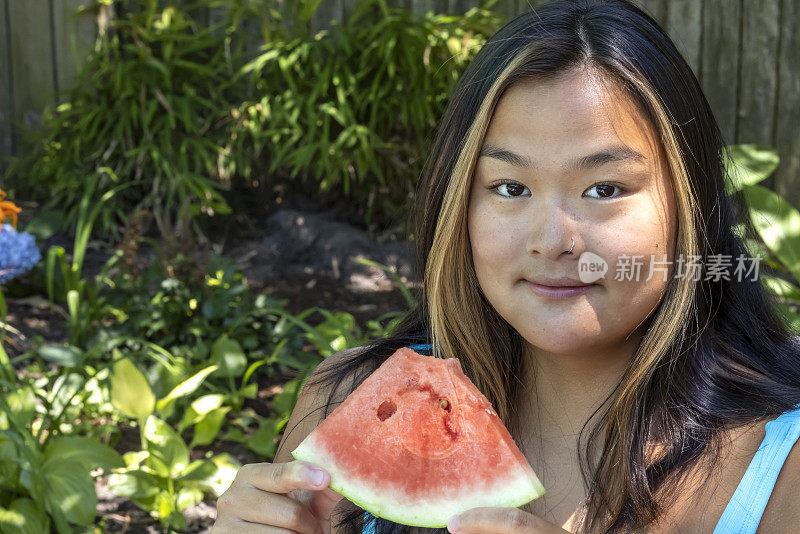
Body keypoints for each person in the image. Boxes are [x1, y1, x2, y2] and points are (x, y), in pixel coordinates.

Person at [211, 0, 800, 532]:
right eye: (511, 186)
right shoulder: (344, 399)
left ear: (689, 208)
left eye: (603, 189)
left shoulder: (785, 469)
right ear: (459, 204)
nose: (553, 241)